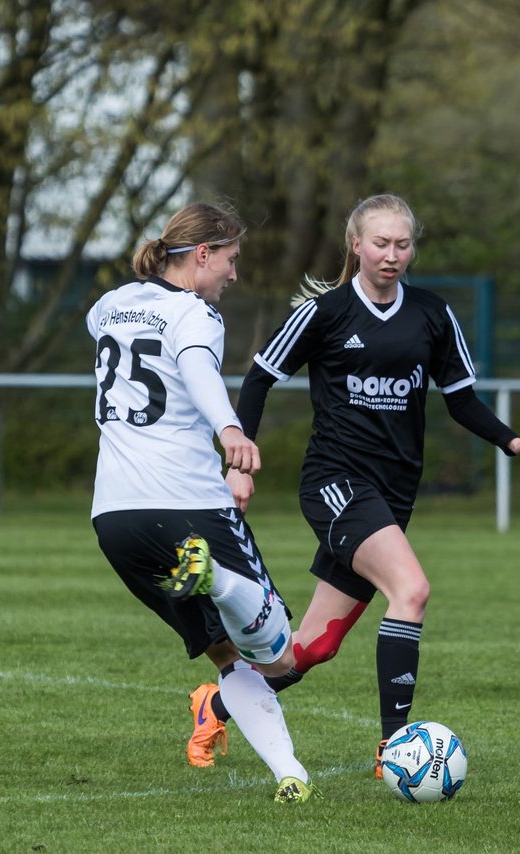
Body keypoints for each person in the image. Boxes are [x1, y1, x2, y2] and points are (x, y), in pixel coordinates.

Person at [186, 193, 520, 777]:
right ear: (356, 246)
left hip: (392, 495)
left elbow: (460, 400)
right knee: (410, 590)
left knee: (308, 650)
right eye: (380, 243)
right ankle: (397, 751)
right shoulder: (327, 312)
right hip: (336, 484)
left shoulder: (433, 316)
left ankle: (217, 702)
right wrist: (239, 460)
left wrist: (510, 442)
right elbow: (259, 378)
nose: (392, 255)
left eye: (403, 244)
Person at [88, 202, 315, 803]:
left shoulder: (111, 305)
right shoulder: (197, 314)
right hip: (187, 503)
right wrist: (230, 430)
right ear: (204, 254)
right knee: (280, 653)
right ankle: (213, 575)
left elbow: (105, 327)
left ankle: (290, 774)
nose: (234, 275)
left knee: (226, 657)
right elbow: (194, 368)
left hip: (113, 517)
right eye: (231, 260)